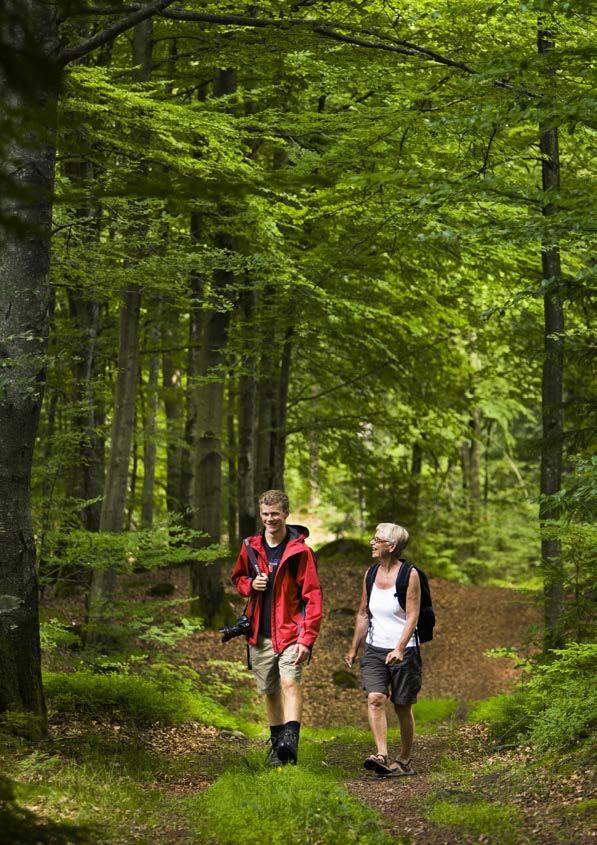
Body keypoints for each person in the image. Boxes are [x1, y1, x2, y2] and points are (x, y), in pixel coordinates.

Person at [231, 489, 323, 765]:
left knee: (289, 681)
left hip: (291, 632)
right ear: (261, 515)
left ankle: (290, 746)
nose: (270, 519)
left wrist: (306, 639)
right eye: (265, 514)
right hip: (260, 633)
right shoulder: (250, 547)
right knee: (270, 690)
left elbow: (313, 596)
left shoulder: (301, 552)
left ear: (286, 514)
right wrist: (250, 585)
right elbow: (237, 579)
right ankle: (277, 748)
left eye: (275, 514)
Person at [344, 523, 422, 776]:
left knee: (402, 706)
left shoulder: (409, 575)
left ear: (392, 546)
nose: (372, 543)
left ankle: (405, 758)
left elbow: (413, 616)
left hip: (404, 651)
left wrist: (399, 647)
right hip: (375, 650)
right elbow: (363, 613)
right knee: (375, 698)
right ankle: (381, 754)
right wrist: (354, 648)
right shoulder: (371, 573)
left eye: (377, 540)